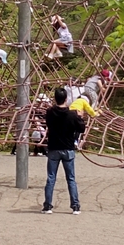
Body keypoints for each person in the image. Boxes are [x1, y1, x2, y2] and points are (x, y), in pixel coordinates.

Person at [42, 86, 85, 215]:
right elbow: (82, 129)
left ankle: (48, 206)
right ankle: (75, 206)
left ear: (55, 99)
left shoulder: (50, 112)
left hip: (54, 148)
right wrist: (80, 117)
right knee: (71, 178)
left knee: (51, 178)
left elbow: (48, 124)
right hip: (68, 149)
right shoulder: (72, 114)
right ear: (66, 99)